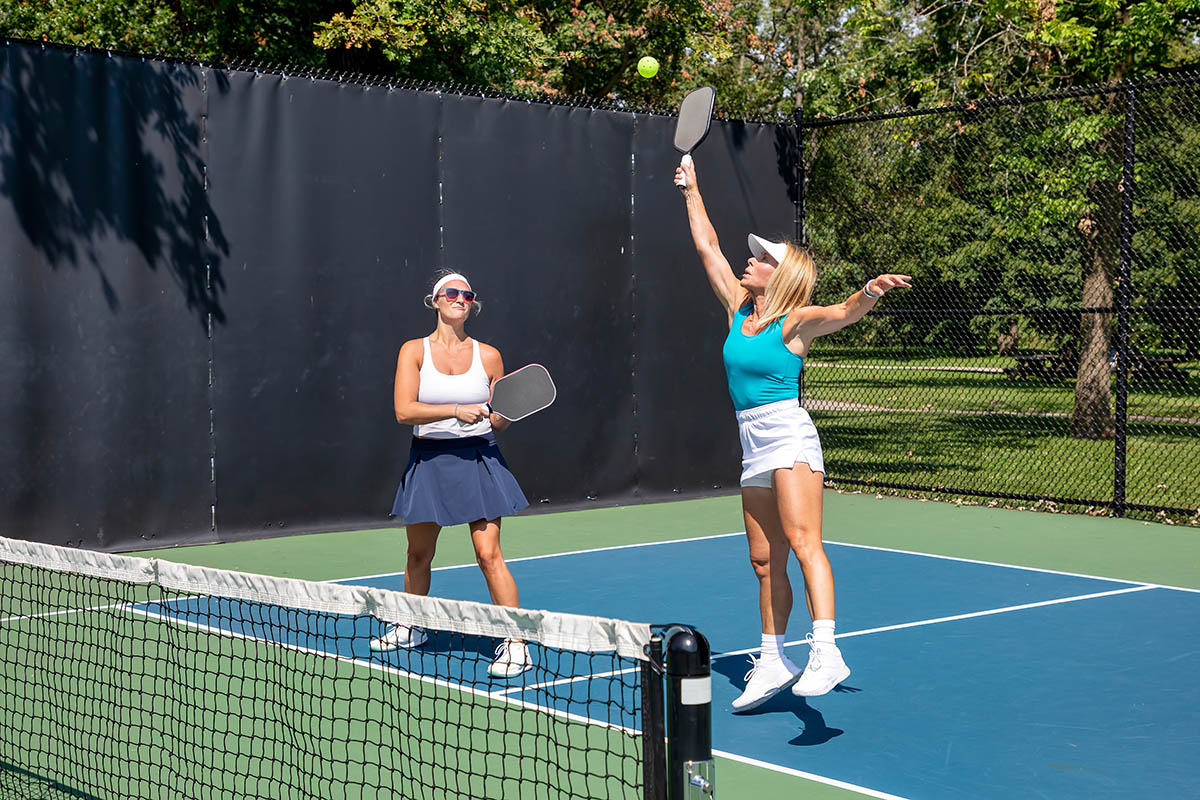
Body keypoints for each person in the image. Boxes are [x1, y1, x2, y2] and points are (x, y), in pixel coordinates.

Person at [675, 157, 911, 711]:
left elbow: (845, 311)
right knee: (764, 559)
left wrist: (870, 292)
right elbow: (706, 246)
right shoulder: (738, 309)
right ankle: (774, 657)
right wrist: (692, 188)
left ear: (778, 275)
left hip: (789, 436)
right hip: (751, 442)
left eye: (759, 259)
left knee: (805, 543)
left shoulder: (794, 322)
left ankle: (826, 650)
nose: (748, 261)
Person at [369, 271, 532, 679]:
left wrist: (500, 417)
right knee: (418, 554)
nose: (460, 298)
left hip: (479, 458)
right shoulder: (414, 351)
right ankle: (411, 623)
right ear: (436, 301)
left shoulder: (489, 356)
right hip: (429, 459)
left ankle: (516, 643)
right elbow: (404, 411)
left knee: (488, 553)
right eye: (452, 293)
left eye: (467, 295)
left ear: (471, 305)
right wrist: (456, 410)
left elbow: (500, 418)